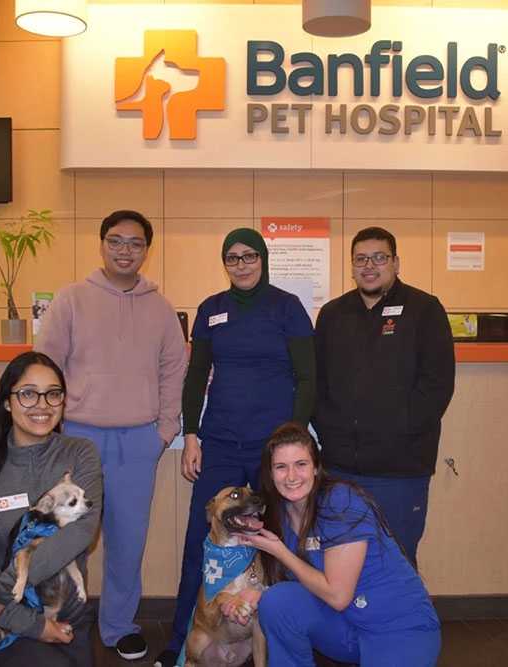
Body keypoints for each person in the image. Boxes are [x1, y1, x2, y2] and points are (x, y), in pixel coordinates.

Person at [155, 228, 316, 667]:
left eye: (249, 256)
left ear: (263, 259)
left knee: (280, 542)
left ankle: (281, 641)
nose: (241, 264)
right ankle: (181, 641)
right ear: (224, 263)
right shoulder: (211, 310)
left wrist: (293, 439)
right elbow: (196, 376)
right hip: (222, 442)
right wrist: (192, 434)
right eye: (232, 257)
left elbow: (308, 377)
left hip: (271, 450)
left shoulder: (287, 307)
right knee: (199, 543)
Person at [35, 209, 187, 661]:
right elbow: (47, 366)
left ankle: (119, 625)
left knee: (127, 540)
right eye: (116, 241)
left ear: (147, 249)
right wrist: (54, 427)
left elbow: (174, 369)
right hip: (78, 440)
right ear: (101, 244)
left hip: (139, 442)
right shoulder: (72, 299)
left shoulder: (160, 308)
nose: (125, 250)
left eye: (135, 243)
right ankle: (62, 622)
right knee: (70, 538)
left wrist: (163, 430)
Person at [234, 422, 441, 666]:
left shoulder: (340, 501)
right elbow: (300, 584)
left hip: (399, 628)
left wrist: (279, 550)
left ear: (315, 468)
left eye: (301, 464)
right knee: (277, 602)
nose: (291, 477)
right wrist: (255, 594)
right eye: (281, 467)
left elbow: (338, 595)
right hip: (349, 626)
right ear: (270, 473)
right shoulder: (281, 513)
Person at [0, 350, 103, 667]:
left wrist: (2, 588)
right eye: (28, 394)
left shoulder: (80, 455)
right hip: (0, 617)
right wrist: (32, 625)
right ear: (7, 401)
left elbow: (79, 533)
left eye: (53, 394)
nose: (43, 406)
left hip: (65, 612)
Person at [313, 226, 455, 566]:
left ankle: (403, 622)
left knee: (397, 560)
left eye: (379, 257)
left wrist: (400, 430)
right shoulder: (332, 315)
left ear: (396, 263)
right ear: (351, 266)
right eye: (361, 258)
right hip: (342, 468)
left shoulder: (425, 309)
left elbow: (437, 386)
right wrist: (331, 432)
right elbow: (317, 384)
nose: (369, 266)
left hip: (401, 469)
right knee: (341, 561)